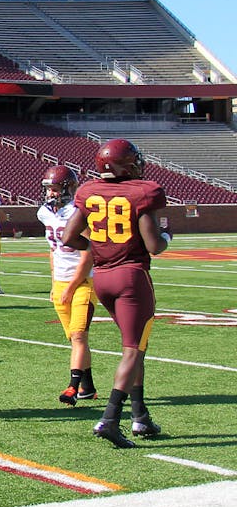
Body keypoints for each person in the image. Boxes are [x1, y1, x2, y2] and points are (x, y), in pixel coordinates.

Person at [61, 139, 169, 448]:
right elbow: (154, 246)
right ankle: (110, 419)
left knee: (136, 348)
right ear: (128, 164)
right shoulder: (141, 191)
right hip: (131, 276)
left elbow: (70, 237)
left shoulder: (88, 191)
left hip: (103, 278)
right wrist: (167, 236)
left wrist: (98, 249)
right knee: (133, 349)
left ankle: (140, 416)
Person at [37, 165, 97, 407]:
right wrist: (54, 283)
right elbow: (52, 251)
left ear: (68, 188)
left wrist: (71, 286)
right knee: (74, 339)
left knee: (79, 335)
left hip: (82, 281)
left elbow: (88, 254)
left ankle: (73, 387)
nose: (51, 193)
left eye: (54, 188)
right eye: (48, 189)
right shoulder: (44, 213)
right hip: (61, 281)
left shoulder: (78, 212)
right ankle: (88, 387)